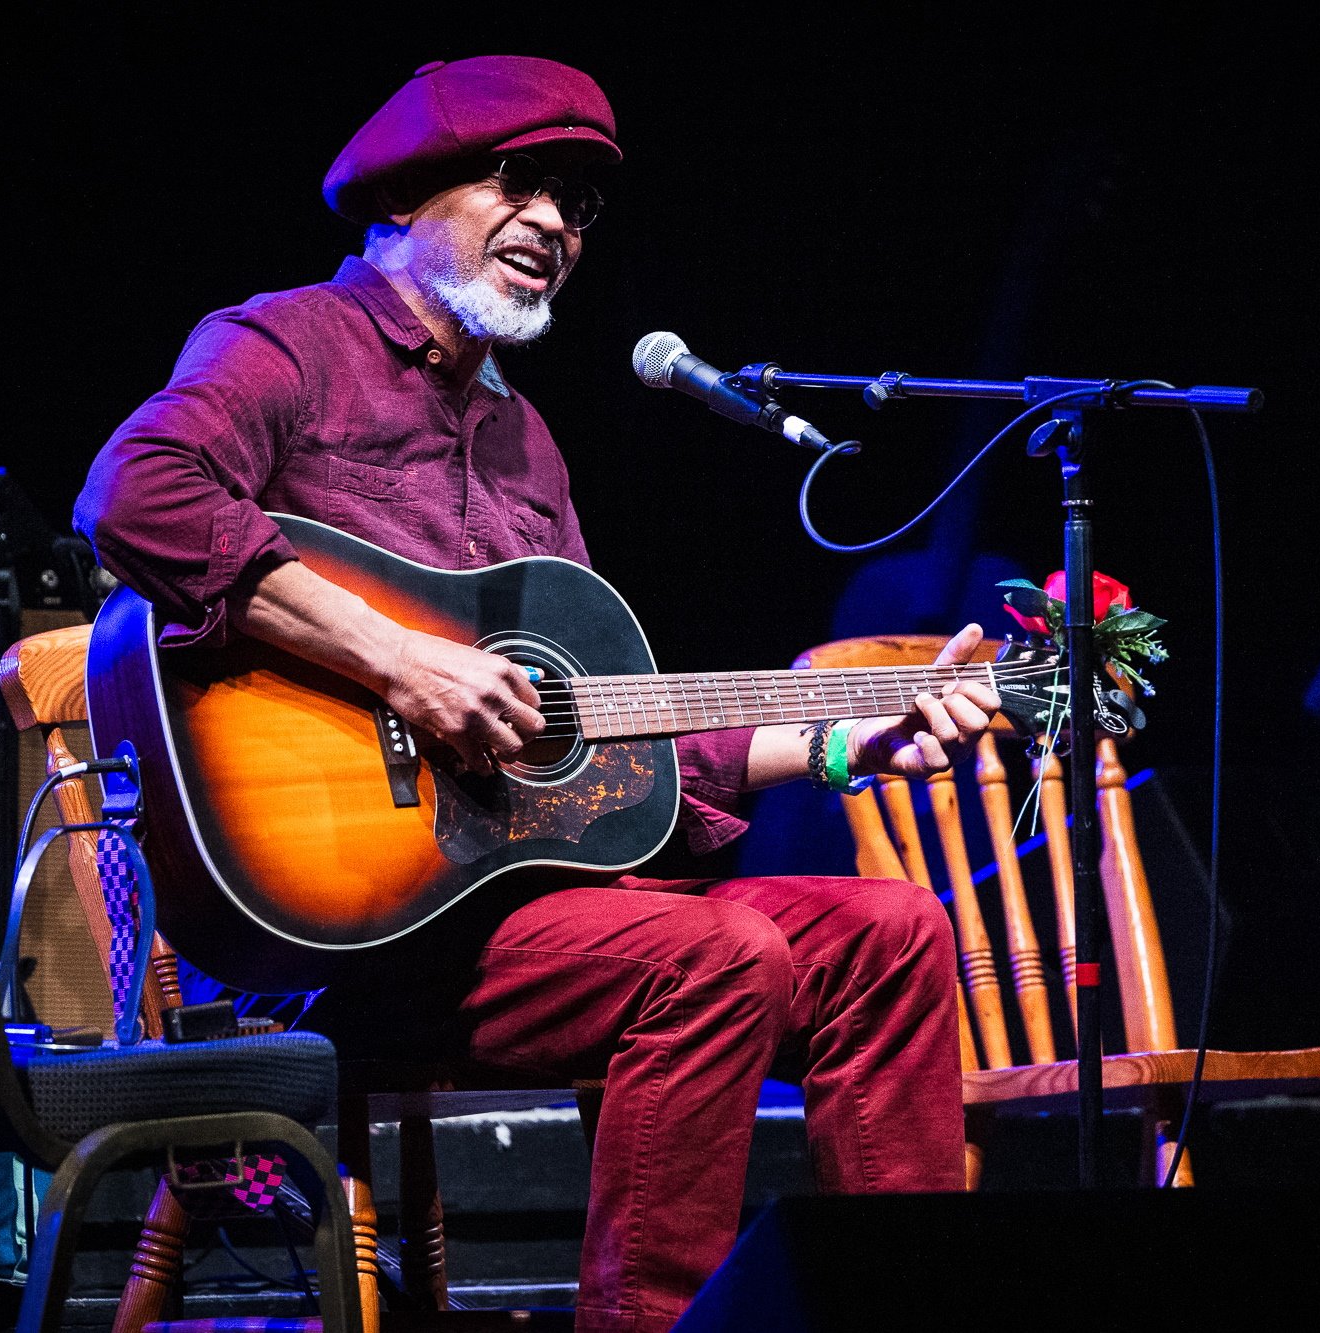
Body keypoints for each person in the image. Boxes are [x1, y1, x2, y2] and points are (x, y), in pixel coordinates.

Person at [75, 55, 999, 1332]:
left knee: (888, 931)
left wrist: (851, 740)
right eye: (524, 183)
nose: (560, 226)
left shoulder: (525, 439)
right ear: (401, 198)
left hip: (524, 910)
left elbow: (599, 742)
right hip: (350, 923)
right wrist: (399, 659)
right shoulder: (287, 343)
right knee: (718, 953)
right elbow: (139, 492)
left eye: (578, 205)